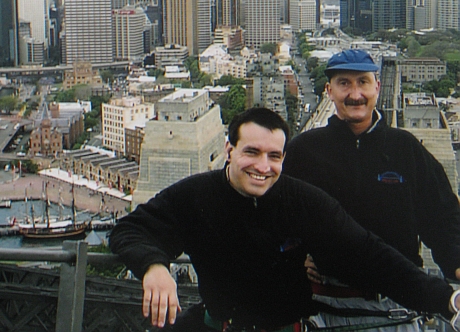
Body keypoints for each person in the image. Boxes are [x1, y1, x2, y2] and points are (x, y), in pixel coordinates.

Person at [110, 107, 460, 331]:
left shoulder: (302, 200)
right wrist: (154, 267)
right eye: (252, 152)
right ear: (230, 150)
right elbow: (130, 229)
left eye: (274, 156)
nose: (263, 167)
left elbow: (370, 254)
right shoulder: (195, 194)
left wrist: (446, 299)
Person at [283, 49, 460, 331]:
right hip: (327, 308)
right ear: (329, 90)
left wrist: (456, 263)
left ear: (377, 86)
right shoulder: (304, 150)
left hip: (398, 308)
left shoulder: (405, 148)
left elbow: (442, 217)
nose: (355, 94)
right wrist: (297, 257)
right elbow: (280, 222)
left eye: (363, 82)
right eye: (344, 83)